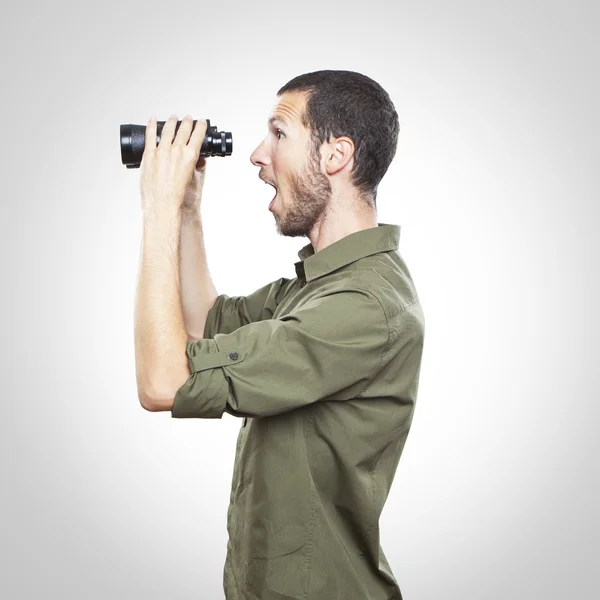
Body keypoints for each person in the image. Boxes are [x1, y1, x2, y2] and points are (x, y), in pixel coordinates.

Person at [134, 69, 425, 600]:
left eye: (279, 134)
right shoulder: (323, 284)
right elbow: (203, 323)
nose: (256, 155)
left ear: (335, 155)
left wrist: (154, 210)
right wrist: (185, 211)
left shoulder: (360, 306)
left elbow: (163, 382)